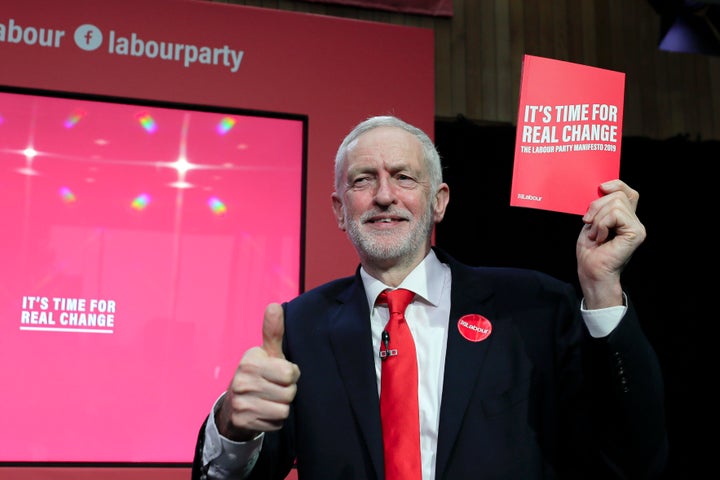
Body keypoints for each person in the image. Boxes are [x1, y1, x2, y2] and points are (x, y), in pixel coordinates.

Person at [191, 115, 668, 480]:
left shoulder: (534, 307)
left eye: (403, 177)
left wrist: (603, 289)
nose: (383, 195)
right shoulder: (302, 326)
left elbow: (632, 454)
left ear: (439, 200)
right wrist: (233, 425)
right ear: (339, 210)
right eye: (362, 180)